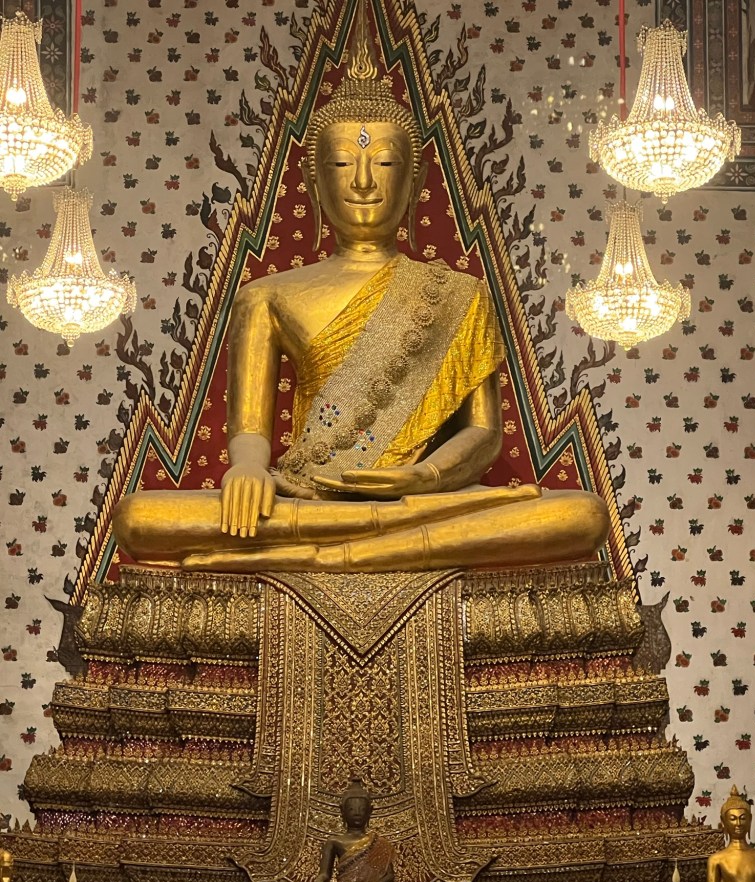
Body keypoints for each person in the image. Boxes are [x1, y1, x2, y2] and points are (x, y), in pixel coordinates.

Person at [112, 0, 608, 574]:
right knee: (139, 518)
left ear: (415, 181)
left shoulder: (461, 294)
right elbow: (249, 430)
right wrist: (246, 469)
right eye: (344, 165)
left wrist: (423, 477)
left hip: (423, 502)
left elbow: (484, 433)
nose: (365, 183)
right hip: (306, 498)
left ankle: (333, 553)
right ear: (313, 180)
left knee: (582, 514)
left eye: (386, 165)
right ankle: (359, 545)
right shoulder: (266, 295)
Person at [308, 780, 408, 882]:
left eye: (362, 809)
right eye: (351, 809)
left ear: (370, 811)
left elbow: (389, 875)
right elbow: (325, 874)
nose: (357, 813)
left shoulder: (379, 842)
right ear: (342, 811)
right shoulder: (334, 842)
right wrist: (319, 881)